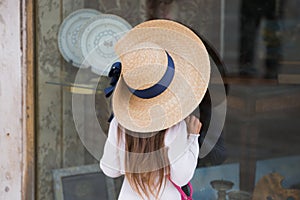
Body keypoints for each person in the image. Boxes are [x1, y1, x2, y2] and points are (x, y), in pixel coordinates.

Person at [100, 19, 211, 199]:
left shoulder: (119, 124)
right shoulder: (175, 127)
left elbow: (110, 169)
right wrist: (192, 137)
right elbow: (181, 176)